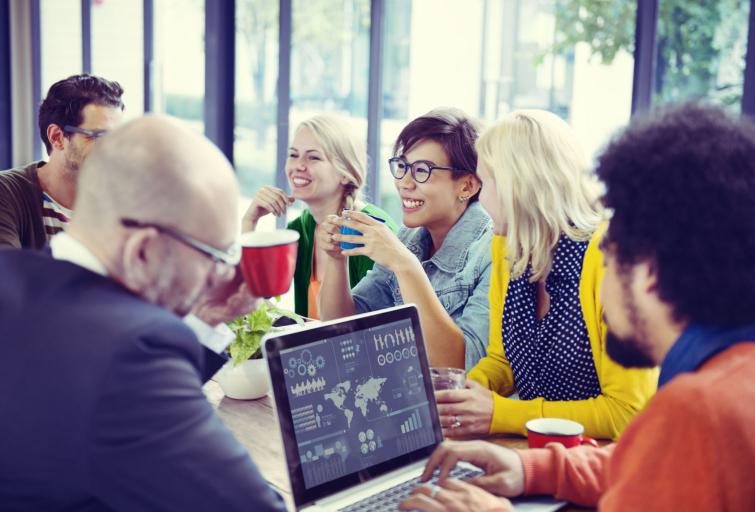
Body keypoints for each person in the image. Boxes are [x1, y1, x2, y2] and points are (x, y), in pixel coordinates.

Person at [401, 104, 755, 511]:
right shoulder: (739, 381)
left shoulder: (698, 412)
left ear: (649, 270)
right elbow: (640, 465)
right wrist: (535, 470)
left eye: (611, 255)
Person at [0, 115, 287, 510]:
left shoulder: (14, 280)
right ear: (143, 252)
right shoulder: (128, 356)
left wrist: (203, 320)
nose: (223, 272)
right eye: (216, 255)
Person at [435, 110, 657, 440]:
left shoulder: (612, 257)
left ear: (518, 188)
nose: (480, 199)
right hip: (536, 456)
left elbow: (627, 413)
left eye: (486, 184)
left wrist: (502, 414)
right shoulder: (506, 245)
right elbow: (503, 360)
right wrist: (463, 395)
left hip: (604, 466)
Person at [317, 107, 493, 369]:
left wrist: (406, 265)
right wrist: (335, 259)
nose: (404, 182)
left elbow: (463, 366)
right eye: (402, 166)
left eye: (422, 170)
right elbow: (344, 328)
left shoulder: (492, 251)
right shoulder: (410, 237)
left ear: (466, 186)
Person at [241, 114, 396, 318]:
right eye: (293, 155)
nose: (298, 165)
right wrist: (249, 222)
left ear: (345, 173)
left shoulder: (372, 231)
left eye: (313, 157)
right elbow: (253, 304)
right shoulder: (300, 229)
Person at [0, 73, 124, 249]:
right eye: (100, 136)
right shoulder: (7, 192)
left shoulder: (123, 200)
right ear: (57, 137)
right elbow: (7, 271)